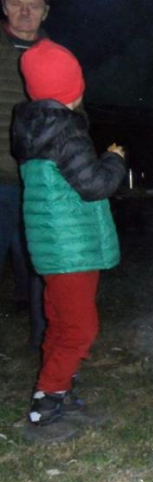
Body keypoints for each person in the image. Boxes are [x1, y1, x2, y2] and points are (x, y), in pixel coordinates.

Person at [13, 40, 127, 442]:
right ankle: (47, 404)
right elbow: (95, 186)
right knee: (79, 328)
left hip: (54, 246)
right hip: (70, 248)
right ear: (72, 89)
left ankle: (57, 393)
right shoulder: (64, 131)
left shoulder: (34, 129)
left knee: (60, 322)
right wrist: (114, 159)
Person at [0, 0, 48, 350]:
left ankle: (43, 340)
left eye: (34, 5)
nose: (25, 11)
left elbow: (76, 112)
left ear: (46, 10)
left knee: (40, 265)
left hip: (39, 182)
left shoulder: (56, 55)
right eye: (17, 3)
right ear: (4, 6)